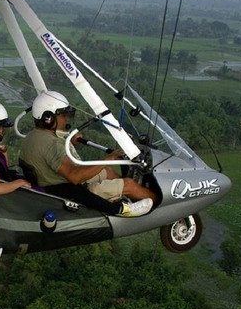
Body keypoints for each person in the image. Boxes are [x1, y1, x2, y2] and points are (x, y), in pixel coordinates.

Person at [19, 91, 155, 217]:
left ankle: (130, 195)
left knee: (107, 171)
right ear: (48, 118)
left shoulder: (33, 136)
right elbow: (75, 177)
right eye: (62, 115)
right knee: (128, 184)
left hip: (53, 183)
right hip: (72, 191)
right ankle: (155, 205)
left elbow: (48, 155)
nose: (66, 118)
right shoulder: (52, 144)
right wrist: (109, 158)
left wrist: (69, 142)